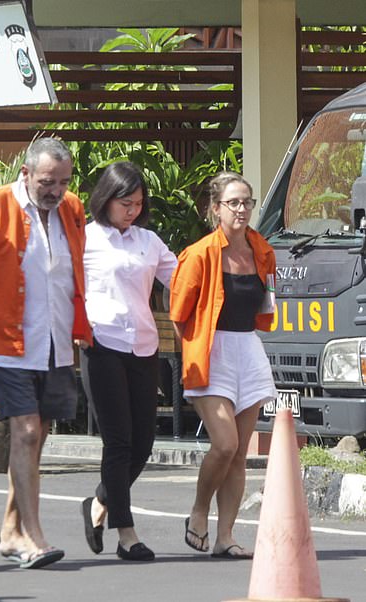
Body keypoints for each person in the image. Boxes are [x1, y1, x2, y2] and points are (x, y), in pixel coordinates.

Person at [0, 137, 91, 569]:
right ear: (26, 173)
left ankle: (10, 533)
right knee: (26, 432)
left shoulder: (73, 210)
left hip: (56, 341)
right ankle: (34, 537)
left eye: (64, 182)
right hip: (6, 343)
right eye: (48, 181)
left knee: (38, 436)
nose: (56, 190)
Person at [169, 171, 276, 559]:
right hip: (210, 351)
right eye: (233, 202)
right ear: (216, 209)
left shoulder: (261, 249)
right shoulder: (199, 254)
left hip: (247, 347)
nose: (242, 209)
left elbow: (267, 301)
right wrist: (197, 353)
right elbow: (179, 316)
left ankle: (225, 536)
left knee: (240, 450)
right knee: (224, 443)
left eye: (247, 201)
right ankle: (199, 511)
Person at [79, 162, 177, 562]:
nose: (132, 210)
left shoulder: (149, 242)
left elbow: (184, 279)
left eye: (138, 204)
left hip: (143, 345)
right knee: (118, 442)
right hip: (101, 345)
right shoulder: (83, 238)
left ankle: (100, 502)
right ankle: (127, 533)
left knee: (143, 443)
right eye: (125, 203)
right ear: (106, 199)